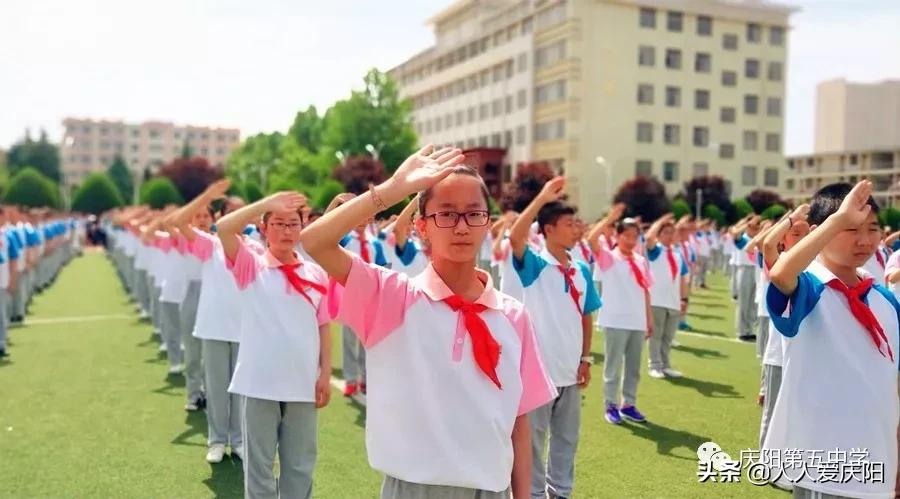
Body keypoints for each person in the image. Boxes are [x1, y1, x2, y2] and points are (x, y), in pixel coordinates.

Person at [300, 145, 555, 499]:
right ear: (421, 227)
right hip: (413, 489)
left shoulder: (513, 315)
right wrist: (392, 190)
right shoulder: (392, 296)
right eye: (446, 214)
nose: (461, 226)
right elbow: (314, 241)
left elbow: (518, 421)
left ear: (486, 222)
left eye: (473, 214)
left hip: (491, 490)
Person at [764, 181, 899, 498]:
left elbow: (891, 386)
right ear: (817, 232)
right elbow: (781, 274)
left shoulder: (884, 300)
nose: (864, 240)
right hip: (823, 465)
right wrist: (838, 218)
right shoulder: (811, 288)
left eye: (872, 228)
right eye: (851, 229)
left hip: (876, 463)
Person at [217, 191, 332, 499]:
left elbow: (324, 325)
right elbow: (225, 228)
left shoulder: (316, 272)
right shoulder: (251, 267)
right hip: (259, 385)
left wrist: (324, 375)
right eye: (278, 223)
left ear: (302, 227)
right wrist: (265, 204)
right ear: (264, 229)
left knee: (299, 467)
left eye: (293, 224)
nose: (286, 231)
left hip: (302, 385)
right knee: (260, 468)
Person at [507, 176, 601, 499]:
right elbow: (515, 235)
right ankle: (531, 494)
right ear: (548, 229)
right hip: (538, 370)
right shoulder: (534, 264)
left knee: (566, 438)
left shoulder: (582, 269)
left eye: (577, 224)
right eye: (569, 224)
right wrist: (542, 198)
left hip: (571, 372)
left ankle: (560, 491)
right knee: (533, 439)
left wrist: (586, 358)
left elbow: (587, 315)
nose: (577, 229)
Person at [176, 186, 249, 463]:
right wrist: (206, 196)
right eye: (230, 213)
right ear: (220, 217)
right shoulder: (210, 245)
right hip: (215, 327)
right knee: (217, 387)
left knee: (241, 388)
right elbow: (179, 223)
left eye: (241, 213)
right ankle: (217, 440)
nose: (236, 217)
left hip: (245, 328)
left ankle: (239, 439)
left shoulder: (255, 247)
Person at [588, 212, 652, 425]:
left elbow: (645, 291)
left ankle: (628, 404)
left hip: (637, 320)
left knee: (633, 367)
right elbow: (590, 240)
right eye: (627, 236)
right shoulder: (609, 258)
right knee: (613, 366)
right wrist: (608, 219)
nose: (631, 241)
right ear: (618, 235)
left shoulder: (641, 260)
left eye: (635, 236)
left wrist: (648, 319)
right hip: (615, 320)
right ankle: (611, 404)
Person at [758, 204, 809, 454]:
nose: (803, 238)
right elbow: (767, 244)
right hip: (779, 354)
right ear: (785, 240)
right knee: (773, 411)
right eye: (796, 234)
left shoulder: (816, 266)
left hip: (805, 355)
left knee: (795, 412)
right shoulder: (780, 264)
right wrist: (792, 218)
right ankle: (767, 465)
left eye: (807, 233)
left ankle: (786, 465)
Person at [643, 213, 690, 379]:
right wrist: (660, 221)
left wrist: (684, 299)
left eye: (672, 232)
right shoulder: (655, 251)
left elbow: (683, 279)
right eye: (666, 232)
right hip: (656, 300)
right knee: (656, 335)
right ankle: (654, 365)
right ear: (659, 234)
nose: (669, 236)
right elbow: (648, 238)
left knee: (668, 337)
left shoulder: (678, 254)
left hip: (673, 301)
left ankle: (665, 364)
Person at [729, 215, 762, 341]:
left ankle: (749, 329)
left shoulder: (758, 239)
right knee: (743, 302)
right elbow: (735, 233)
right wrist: (747, 223)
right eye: (752, 227)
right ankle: (742, 331)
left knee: (752, 303)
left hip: (755, 270)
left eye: (756, 227)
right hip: (744, 269)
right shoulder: (743, 238)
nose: (754, 229)